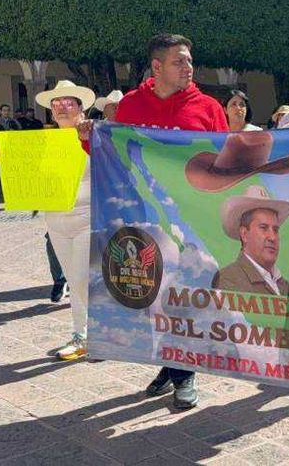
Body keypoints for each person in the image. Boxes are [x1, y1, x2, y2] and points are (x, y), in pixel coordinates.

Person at [85, 33, 228, 410]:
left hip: (190, 223)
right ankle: (173, 366)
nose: (189, 68)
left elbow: (224, 161)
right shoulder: (131, 105)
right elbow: (111, 152)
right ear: (157, 66)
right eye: (180, 61)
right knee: (151, 297)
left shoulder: (209, 108)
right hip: (140, 221)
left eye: (190, 61)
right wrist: (89, 138)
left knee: (182, 296)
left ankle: (183, 375)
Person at [3, 81, 95, 360]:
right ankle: (83, 336)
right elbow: (31, 175)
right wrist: (3, 160)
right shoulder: (44, 142)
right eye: (56, 105)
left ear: (80, 108)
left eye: (68, 103)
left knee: (80, 279)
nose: (62, 108)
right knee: (73, 279)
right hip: (56, 219)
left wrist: (88, 138)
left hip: (88, 217)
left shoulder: (96, 134)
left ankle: (101, 331)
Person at [212, 185, 289, 295]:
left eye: (275, 229)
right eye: (263, 228)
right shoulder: (228, 279)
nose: (272, 237)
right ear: (244, 234)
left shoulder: (288, 288)